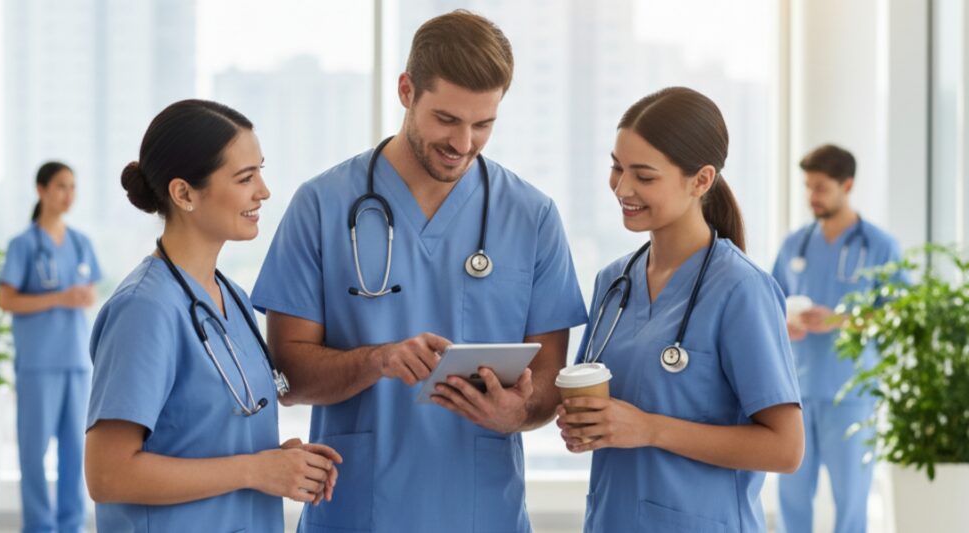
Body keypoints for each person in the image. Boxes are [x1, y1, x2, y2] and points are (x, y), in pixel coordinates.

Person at [251, 10, 587, 533]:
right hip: (356, 512)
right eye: (447, 119)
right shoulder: (322, 205)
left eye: (483, 124)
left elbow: (548, 381)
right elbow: (287, 379)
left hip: (483, 515)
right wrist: (378, 360)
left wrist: (518, 413)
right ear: (406, 90)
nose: (463, 143)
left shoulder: (532, 216)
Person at [83, 99, 340, 532]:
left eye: (260, 171)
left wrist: (280, 462)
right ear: (184, 193)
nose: (264, 191)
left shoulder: (232, 297)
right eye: (245, 177)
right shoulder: (144, 309)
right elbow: (108, 474)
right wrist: (255, 470)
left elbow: (208, 438)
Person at [556, 87, 805, 532]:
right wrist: (584, 424)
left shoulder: (742, 290)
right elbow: (602, 410)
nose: (623, 188)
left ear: (701, 180)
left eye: (644, 176)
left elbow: (786, 449)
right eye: (617, 167)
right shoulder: (613, 282)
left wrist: (650, 429)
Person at [774, 144, 902, 533]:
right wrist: (784, 325)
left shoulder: (879, 246)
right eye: (808, 187)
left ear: (847, 186)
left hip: (851, 393)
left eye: (821, 188)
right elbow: (768, 306)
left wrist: (841, 319)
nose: (811, 196)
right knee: (792, 495)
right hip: (796, 392)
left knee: (851, 499)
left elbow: (898, 314)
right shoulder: (795, 244)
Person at [0, 161, 101, 533]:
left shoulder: (80, 243)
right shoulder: (24, 245)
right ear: (41, 190)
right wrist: (59, 298)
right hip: (39, 363)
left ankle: (71, 525)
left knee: (75, 450)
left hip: (75, 361)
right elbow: (6, 299)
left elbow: (90, 292)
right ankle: (39, 526)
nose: (68, 195)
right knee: (33, 452)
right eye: (60, 186)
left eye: (73, 187)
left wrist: (80, 297)